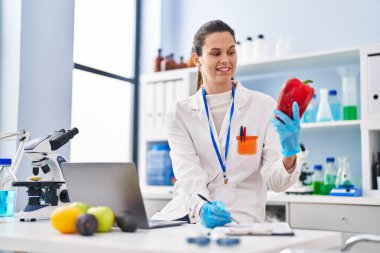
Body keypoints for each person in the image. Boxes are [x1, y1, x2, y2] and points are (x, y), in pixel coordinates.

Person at [151, 20, 301, 228]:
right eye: (215, 53)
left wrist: (289, 154)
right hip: (191, 214)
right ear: (197, 59)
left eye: (231, 52)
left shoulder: (263, 106)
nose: (225, 60)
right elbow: (189, 177)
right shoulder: (180, 113)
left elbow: (277, 182)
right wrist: (203, 209)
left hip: (243, 220)